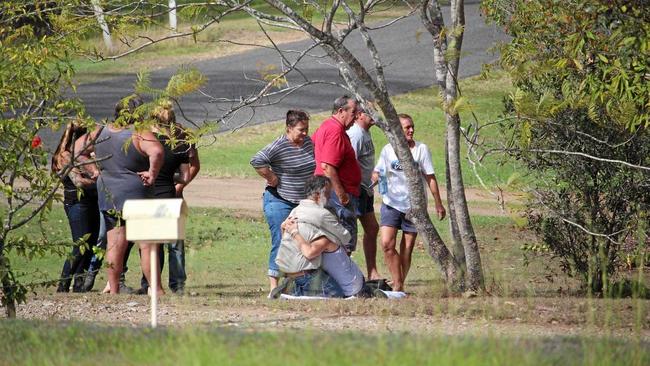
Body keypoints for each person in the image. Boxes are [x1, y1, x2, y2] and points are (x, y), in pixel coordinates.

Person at [75, 94, 164, 295]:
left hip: (109, 193)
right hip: (137, 194)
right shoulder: (139, 133)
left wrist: (94, 171)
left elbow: (76, 151)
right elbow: (157, 151)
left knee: (114, 244)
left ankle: (113, 289)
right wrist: (152, 173)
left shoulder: (100, 131)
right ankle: (156, 289)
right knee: (147, 244)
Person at [372, 114, 446, 292]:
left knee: (407, 248)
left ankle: (398, 285)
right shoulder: (388, 150)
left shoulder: (421, 149)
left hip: (414, 207)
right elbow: (378, 170)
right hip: (391, 204)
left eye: (412, 127)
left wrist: (438, 203)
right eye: (407, 127)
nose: (411, 130)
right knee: (387, 244)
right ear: (398, 129)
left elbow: (430, 178)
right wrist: (375, 178)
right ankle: (397, 282)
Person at [250, 110, 315, 293]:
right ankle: (274, 287)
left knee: (300, 241)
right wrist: (271, 177)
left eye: (306, 129)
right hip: (279, 200)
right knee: (281, 240)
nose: (304, 133)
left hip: (301, 202)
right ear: (289, 128)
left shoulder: (309, 143)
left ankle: (292, 286)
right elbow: (256, 160)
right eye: (301, 130)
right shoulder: (279, 145)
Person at [139, 102, 199, 294]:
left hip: (147, 196)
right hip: (170, 196)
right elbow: (186, 175)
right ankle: (178, 284)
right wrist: (178, 185)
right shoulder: (181, 141)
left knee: (149, 245)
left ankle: (150, 284)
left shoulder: (144, 140)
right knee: (175, 245)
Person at [274, 176, 364, 298]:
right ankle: (297, 292)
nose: (330, 197)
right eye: (327, 193)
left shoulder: (295, 211)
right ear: (317, 195)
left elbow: (284, 234)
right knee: (337, 295)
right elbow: (345, 237)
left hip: (287, 270)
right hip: (306, 273)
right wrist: (331, 235)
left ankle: (291, 288)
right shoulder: (322, 214)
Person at [51, 122, 101, 293]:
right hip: (77, 203)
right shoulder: (65, 156)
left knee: (91, 242)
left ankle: (79, 283)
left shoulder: (82, 155)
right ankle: (63, 283)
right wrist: (98, 180)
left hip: (91, 201)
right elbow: (78, 181)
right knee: (80, 244)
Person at [311, 96, 362, 253]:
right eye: (353, 112)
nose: (357, 116)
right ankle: (342, 276)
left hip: (328, 192)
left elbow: (312, 145)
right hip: (336, 196)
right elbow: (328, 166)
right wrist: (342, 195)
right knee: (343, 240)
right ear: (341, 111)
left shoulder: (326, 126)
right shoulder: (335, 130)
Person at [346, 107, 381, 280]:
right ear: (359, 115)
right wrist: (357, 186)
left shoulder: (365, 133)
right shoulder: (356, 135)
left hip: (366, 189)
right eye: (370, 113)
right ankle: (346, 274)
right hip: (356, 190)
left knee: (373, 228)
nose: (375, 116)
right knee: (348, 233)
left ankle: (372, 272)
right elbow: (349, 163)